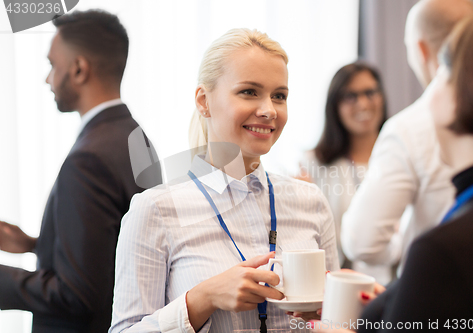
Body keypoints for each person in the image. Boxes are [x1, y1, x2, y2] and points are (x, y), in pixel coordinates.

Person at [110, 28, 339, 333]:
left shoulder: (311, 202)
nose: (269, 110)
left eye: (279, 96)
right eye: (249, 91)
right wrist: (203, 298)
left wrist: (335, 314)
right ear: (203, 101)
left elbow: (338, 321)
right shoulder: (155, 209)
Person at [313, 5, 473, 332]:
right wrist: (402, 294)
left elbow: (361, 240)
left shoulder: (439, 251)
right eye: (350, 96)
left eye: (447, 70)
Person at [0, 10, 161, 333]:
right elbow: (116, 248)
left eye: (52, 65)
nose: (48, 78)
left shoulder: (89, 159)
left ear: (78, 69)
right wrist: (40, 243)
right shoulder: (136, 138)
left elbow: (78, 295)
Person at [341, 0, 473, 276]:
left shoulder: (409, 127)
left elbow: (361, 241)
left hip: (438, 291)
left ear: (420, 49)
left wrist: (406, 244)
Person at [300, 63, 390, 283]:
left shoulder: (399, 156)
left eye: (370, 92)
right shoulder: (314, 165)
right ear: (335, 106)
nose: (363, 103)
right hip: (339, 287)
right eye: (350, 96)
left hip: (398, 284)